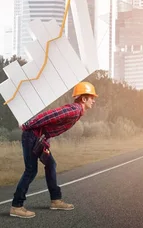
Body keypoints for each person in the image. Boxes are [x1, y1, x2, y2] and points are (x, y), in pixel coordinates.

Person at [9, 81, 98, 219]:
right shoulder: (74, 110)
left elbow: (50, 127)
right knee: (31, 170)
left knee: (51, 164)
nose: (94, 101)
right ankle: (16, 206)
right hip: (31, 136)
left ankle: (55, 200)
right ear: (84, 98)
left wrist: (45, 143)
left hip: (39, 139)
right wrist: (27, 125)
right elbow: (49, 115)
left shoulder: (77, 112)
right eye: (92, 98)